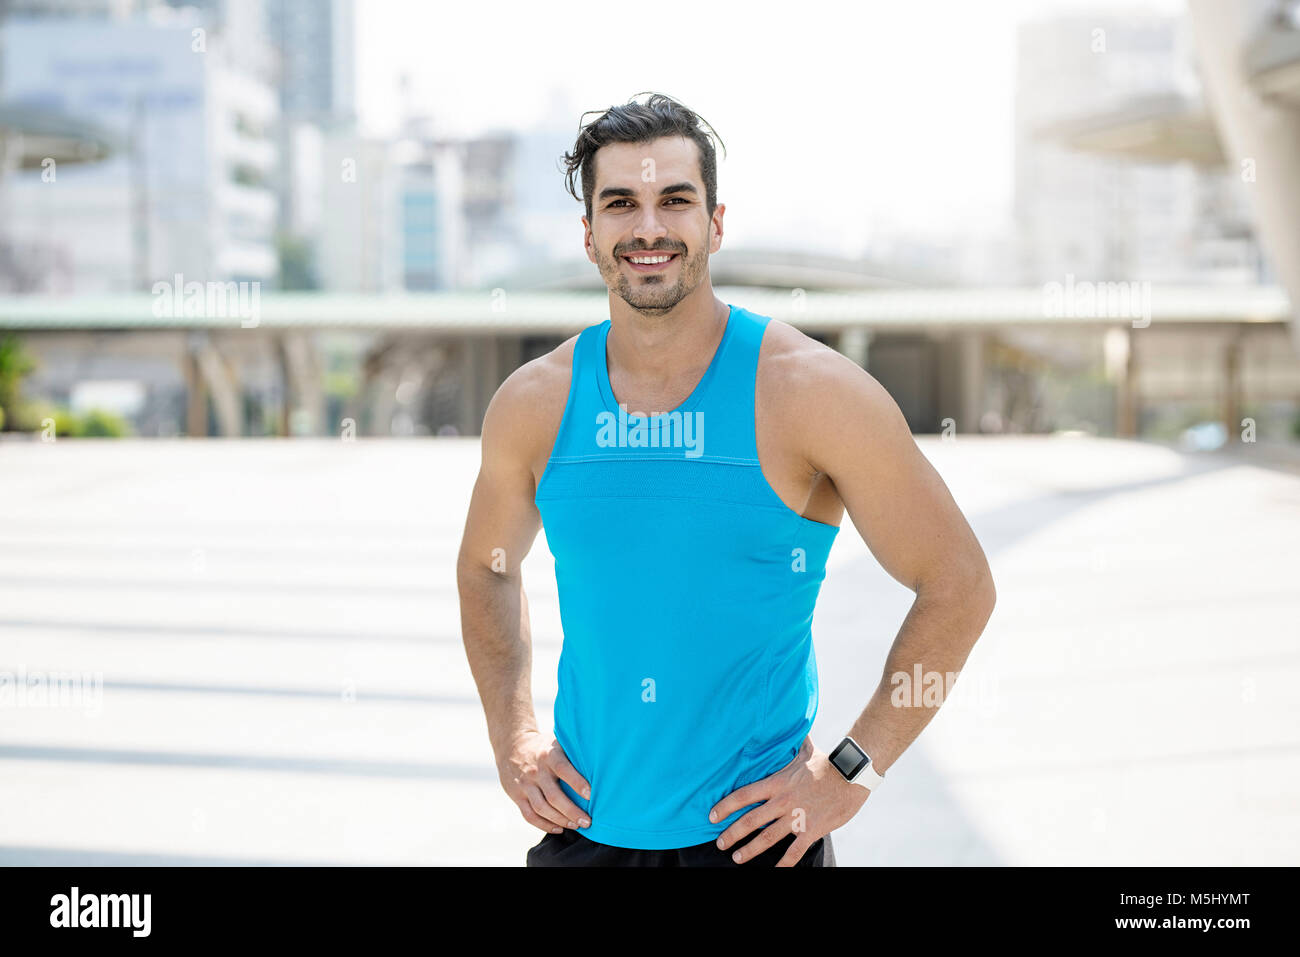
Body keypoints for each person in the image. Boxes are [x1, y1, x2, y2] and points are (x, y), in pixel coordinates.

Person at [457, 92, 996, 867]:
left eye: (675, 200)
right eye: (621, 204)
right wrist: (512, 733)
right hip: (583, 837)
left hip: (757, 843)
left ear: (714, 222)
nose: (648, 228)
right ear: (589, 235)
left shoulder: (811, 392)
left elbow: (960, 581)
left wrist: (853, 768)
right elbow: (485, 567)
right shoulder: (535, 403)